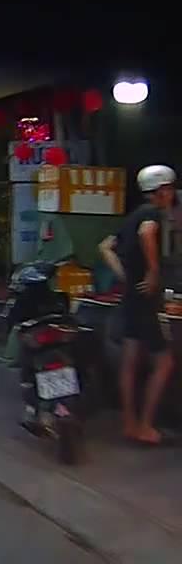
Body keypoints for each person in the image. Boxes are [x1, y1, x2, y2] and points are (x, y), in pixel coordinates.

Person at [99, 164, 176, 445]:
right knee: (165, 362)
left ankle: (130, 423)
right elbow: (147, 233)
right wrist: (153, 272)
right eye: (169, 189)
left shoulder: (133, 215)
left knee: (130, 363)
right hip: (147, 301)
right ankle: (145, 425)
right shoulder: (152, 214)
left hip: (131, 296)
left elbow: (105, 246)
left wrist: (126, 276)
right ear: (162, 191)